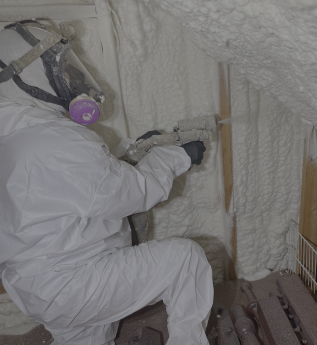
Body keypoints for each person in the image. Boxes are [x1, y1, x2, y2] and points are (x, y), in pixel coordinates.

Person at [0, 20, 213, 345]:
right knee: (185, 261)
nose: (70, 78)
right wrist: (177, 157)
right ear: (27, 79)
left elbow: (75, 182)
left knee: (90, 337)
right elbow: (125, 194)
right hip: (77, 281)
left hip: (38, 288)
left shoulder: (17, 140)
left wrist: (132, 147)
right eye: (60, 68)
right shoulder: (56, 139)